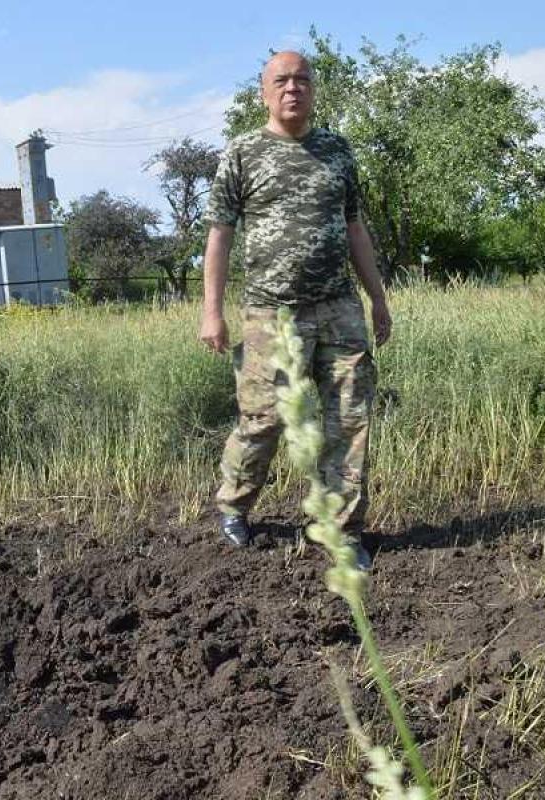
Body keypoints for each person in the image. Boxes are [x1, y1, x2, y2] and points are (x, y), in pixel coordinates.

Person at [199, 51, 392, 563]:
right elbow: (219, 236)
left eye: (302, 80)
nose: (293, 89)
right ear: (264, 92)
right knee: (263, 419)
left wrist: (377, 299)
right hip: (270, 313)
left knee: (349, 420)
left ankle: (342, 530)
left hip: (339, 307)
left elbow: (355, 229)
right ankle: (235, 507)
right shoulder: (243, 153)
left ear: (313, 89)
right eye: (281, 81)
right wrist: (211, 312)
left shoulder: (336, 151)